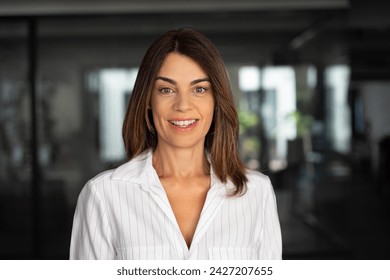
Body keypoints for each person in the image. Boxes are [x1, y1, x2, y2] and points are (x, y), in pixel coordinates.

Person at [69, 28, 282, 260]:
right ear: (148, 100)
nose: (183, 105)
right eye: (167, 90)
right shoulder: (103, 195)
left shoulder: (257, 193)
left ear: (216, 100)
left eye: (199, 89)